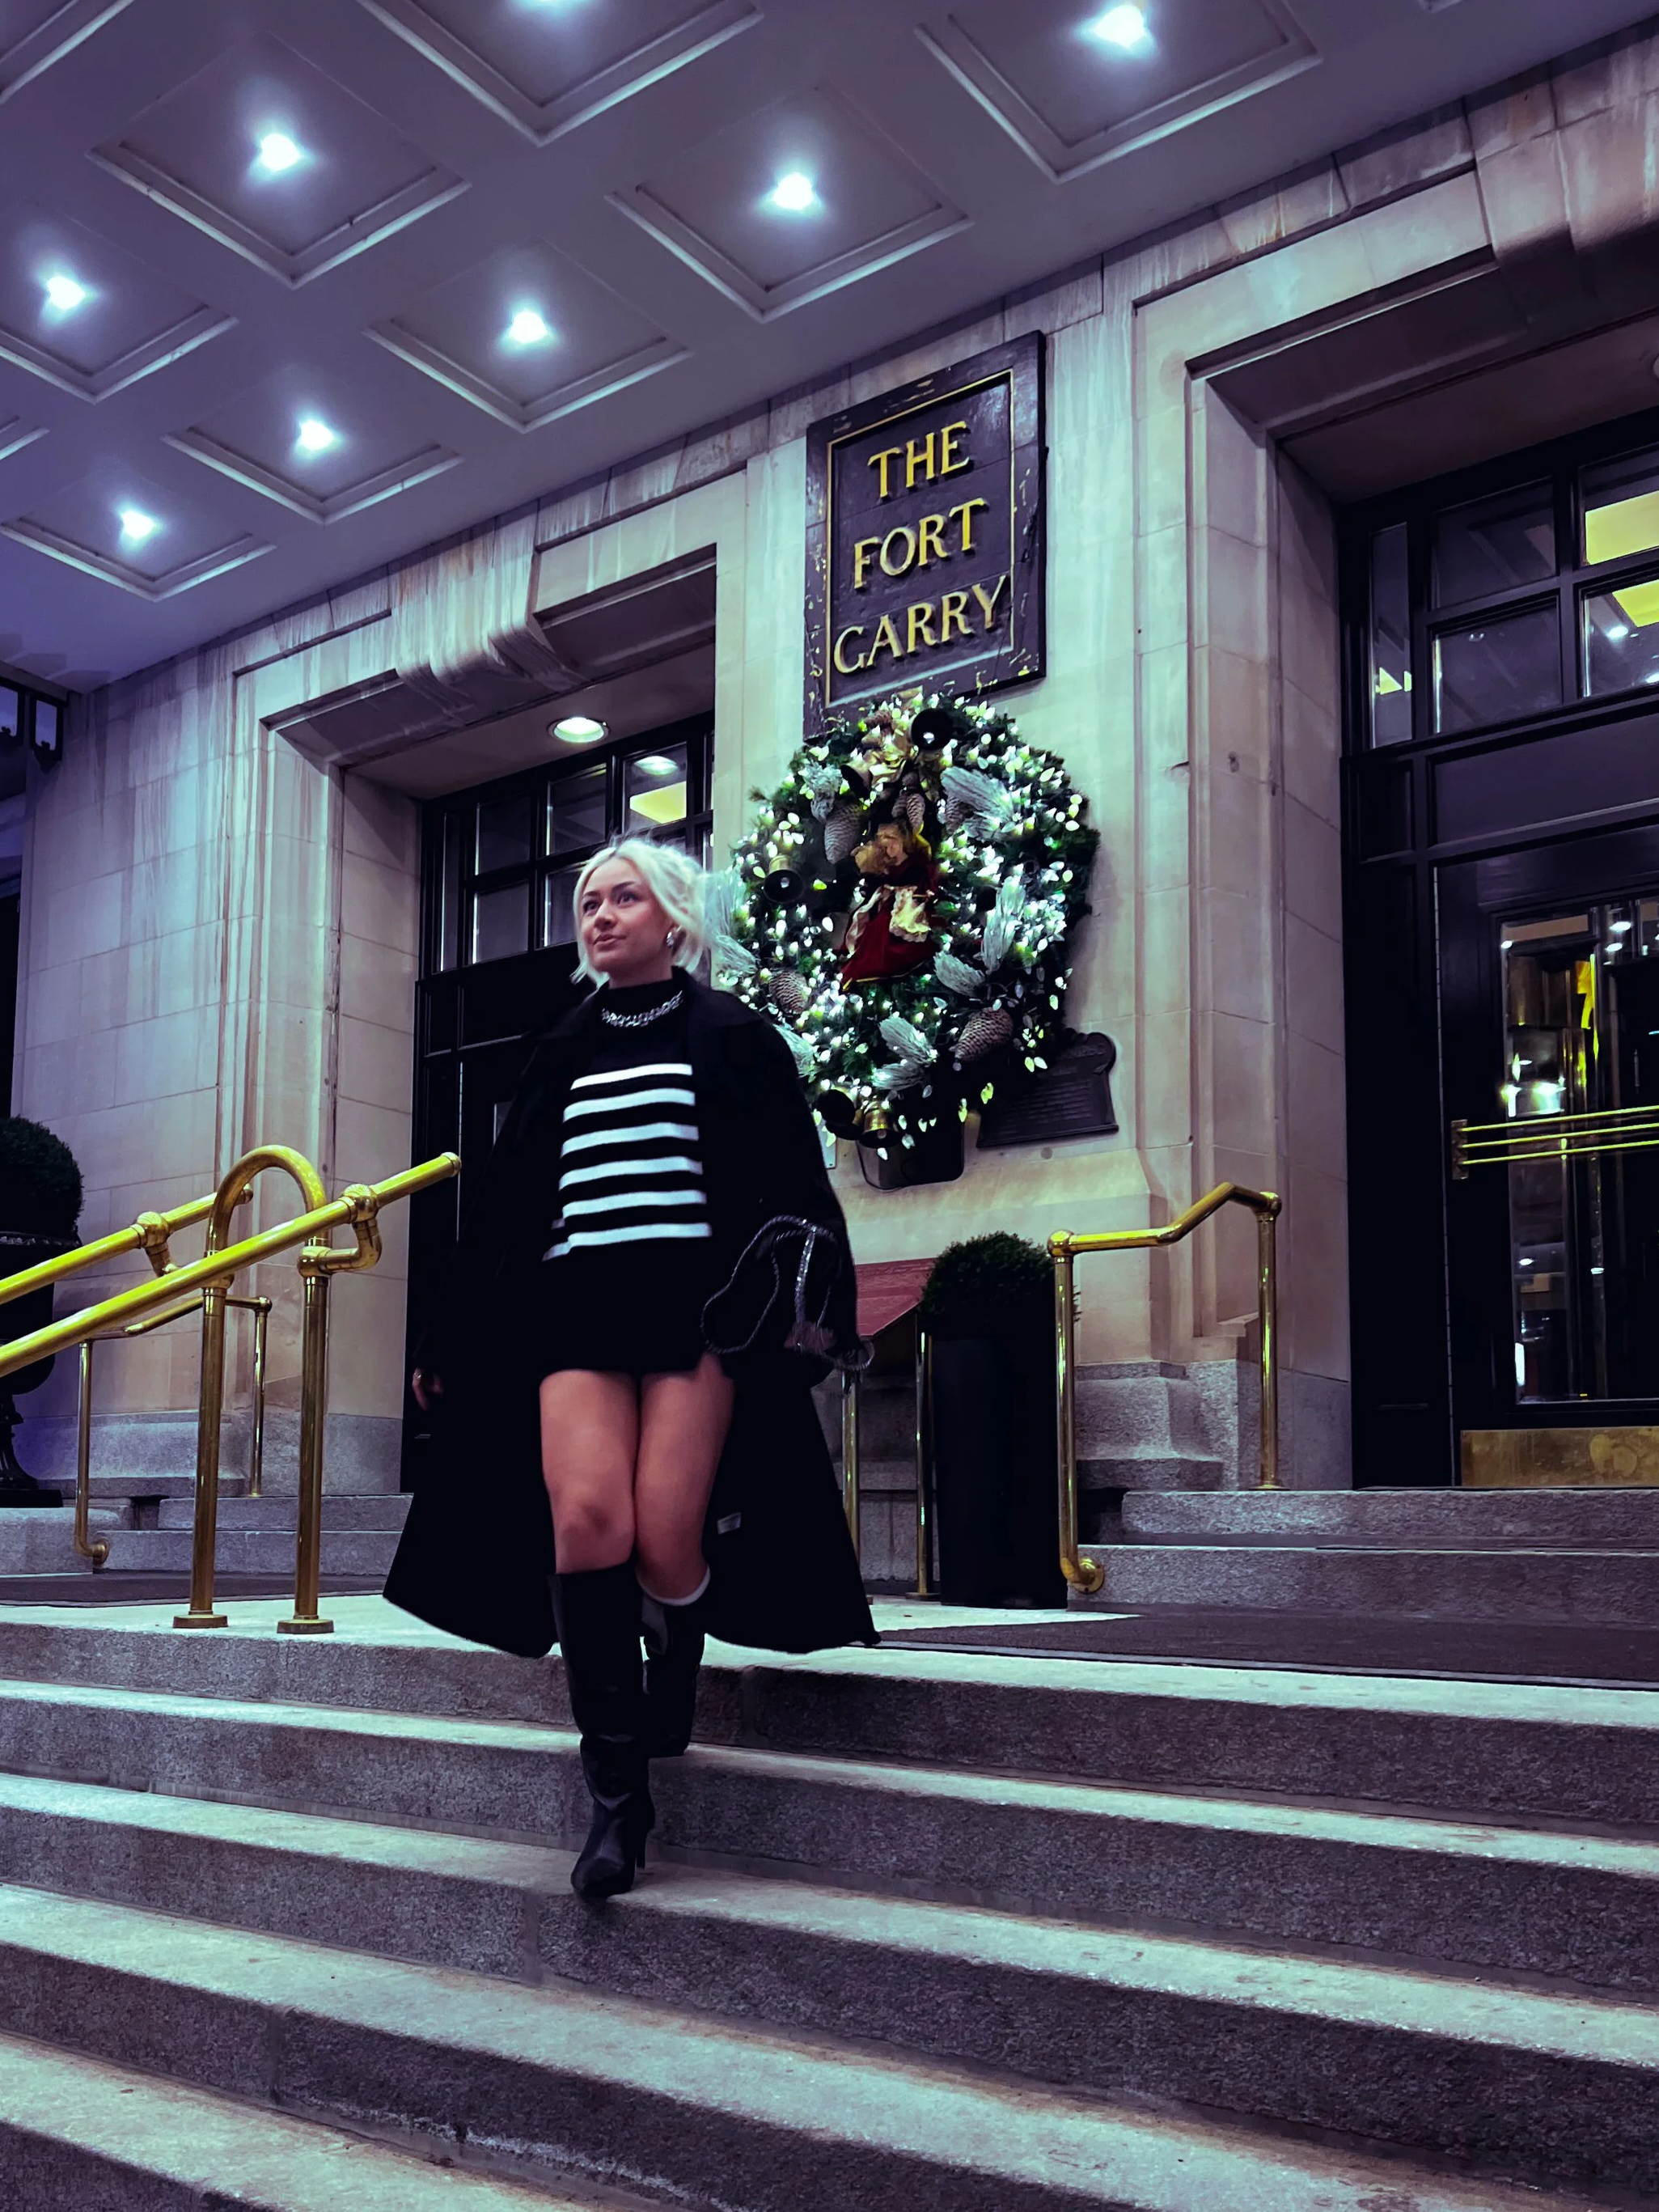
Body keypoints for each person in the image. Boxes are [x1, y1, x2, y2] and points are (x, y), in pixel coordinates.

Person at [386, 837, 873, 1902]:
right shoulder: (558, 1046)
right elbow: (505, 1208)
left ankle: (676, 1648)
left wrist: (811, 1314)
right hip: (575, 1310)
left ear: (672, 920)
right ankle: (616, 1796)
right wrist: (450, 1337)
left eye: (623, 898)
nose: (600, 915)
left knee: (663, 1537)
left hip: (698, 1314)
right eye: (589, 902)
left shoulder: (735, 1036)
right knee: (585, 1519)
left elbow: (796, 1186)